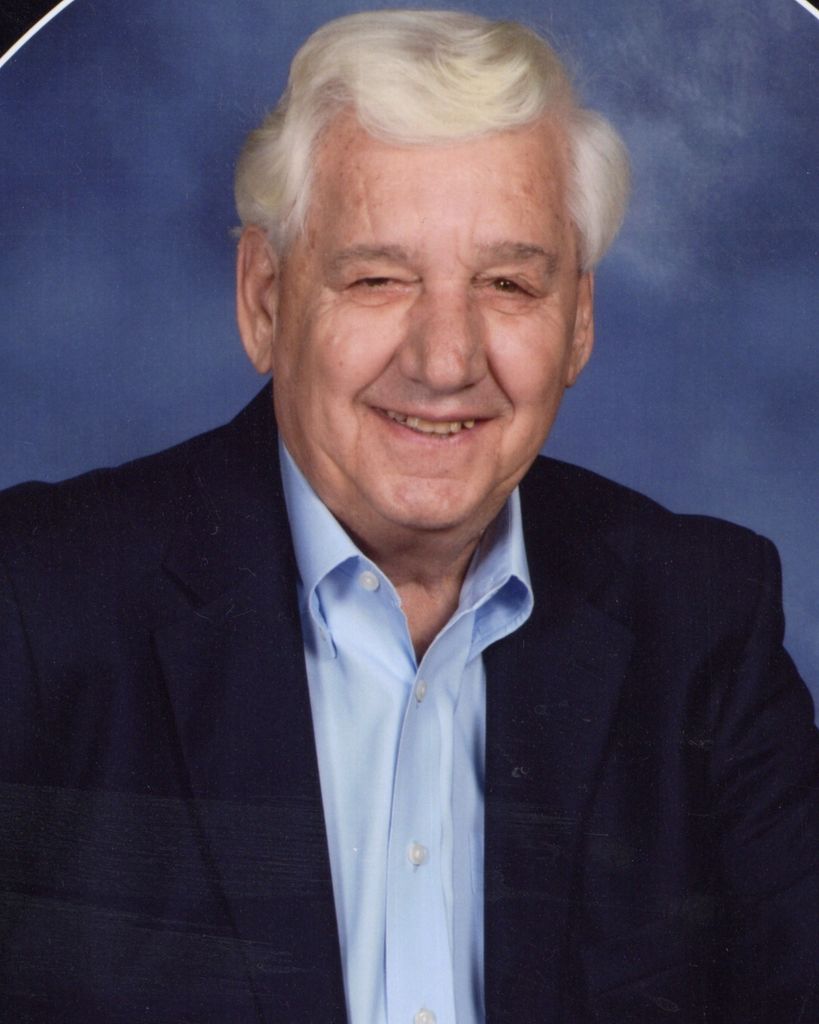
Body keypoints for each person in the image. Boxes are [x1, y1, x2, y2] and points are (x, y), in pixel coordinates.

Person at [0, 10, 816, 1023]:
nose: (444, 360)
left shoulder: (702, 622)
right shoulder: (36, 605)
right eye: (378, 279)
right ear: (265, 300)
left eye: (507, 284)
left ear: (578, 322)